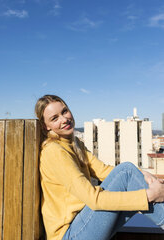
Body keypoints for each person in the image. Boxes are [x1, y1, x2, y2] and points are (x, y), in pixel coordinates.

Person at [35, 94, 164, 240]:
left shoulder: (73, 142)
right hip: (70, 234)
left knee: (127, 170)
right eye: (55, 118)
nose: (64, 119)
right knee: (127, 172)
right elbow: (93, 199)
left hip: (84, 222)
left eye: (64, 111)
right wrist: (149, 195)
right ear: (46, 126)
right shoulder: (54, 151)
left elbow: (103, 171)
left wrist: (143, 173)